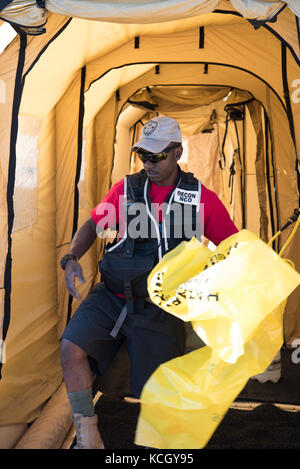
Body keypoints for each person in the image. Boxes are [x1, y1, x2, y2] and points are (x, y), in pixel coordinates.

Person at [60, 116, 238, 449]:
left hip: (160, 307)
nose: (148, 163)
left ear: (177, 153)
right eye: (143, 155)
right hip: (112, 295)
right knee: (71, 347)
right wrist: (70, 258)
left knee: (154, 396)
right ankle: (87, 433)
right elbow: (92, 225)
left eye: (157, 156)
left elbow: (232, 246)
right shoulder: (124, 189)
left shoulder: (200, 198)